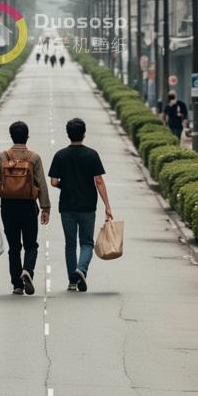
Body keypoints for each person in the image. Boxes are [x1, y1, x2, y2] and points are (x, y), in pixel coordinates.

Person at [48, 117, 112, 292]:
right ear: (84, 134)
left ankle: (72, 281)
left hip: (67, 206)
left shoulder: (60, 155)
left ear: (67, 134)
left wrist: (65, 185)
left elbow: (53, 182)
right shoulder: (92, 154)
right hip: (88, 206)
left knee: (70, 244)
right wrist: (107, 206)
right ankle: (81, 269)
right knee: (87, 243)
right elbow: (98, 180)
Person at [0, 121, 50, 295]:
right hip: (28, 206)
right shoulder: (34, 158)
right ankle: (27, 270)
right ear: (27, 136)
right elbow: (42, 185)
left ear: (11, 136)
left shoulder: (2, 157)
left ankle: (17, 285)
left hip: (8, 206)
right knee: (31, 245)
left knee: (14, 247)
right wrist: (45, 208)